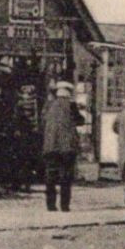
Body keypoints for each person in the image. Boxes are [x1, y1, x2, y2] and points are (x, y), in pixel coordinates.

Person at [40, 80, 83, 212]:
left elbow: (43, 121)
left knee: (50, 175)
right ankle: (65, 205)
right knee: (66, 175)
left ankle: (50, 205)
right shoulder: (71, 106)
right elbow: (81, 120)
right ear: (68, 93)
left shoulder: (48, 105)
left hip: (50, 146)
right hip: (67, 147)